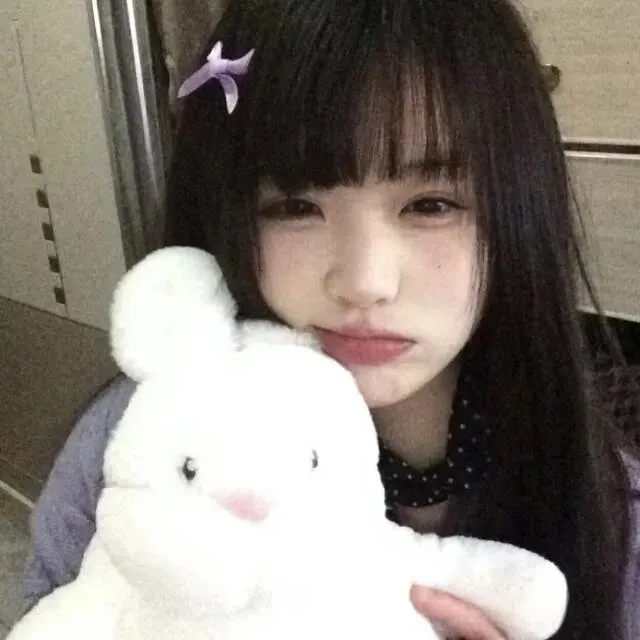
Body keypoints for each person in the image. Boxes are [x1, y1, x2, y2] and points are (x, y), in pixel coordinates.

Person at [22, 1, 640, 638]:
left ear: (519, 209)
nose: (365, 281)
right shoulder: (141, 444)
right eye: (295, 206)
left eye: (431, 204)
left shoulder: (609, 506)